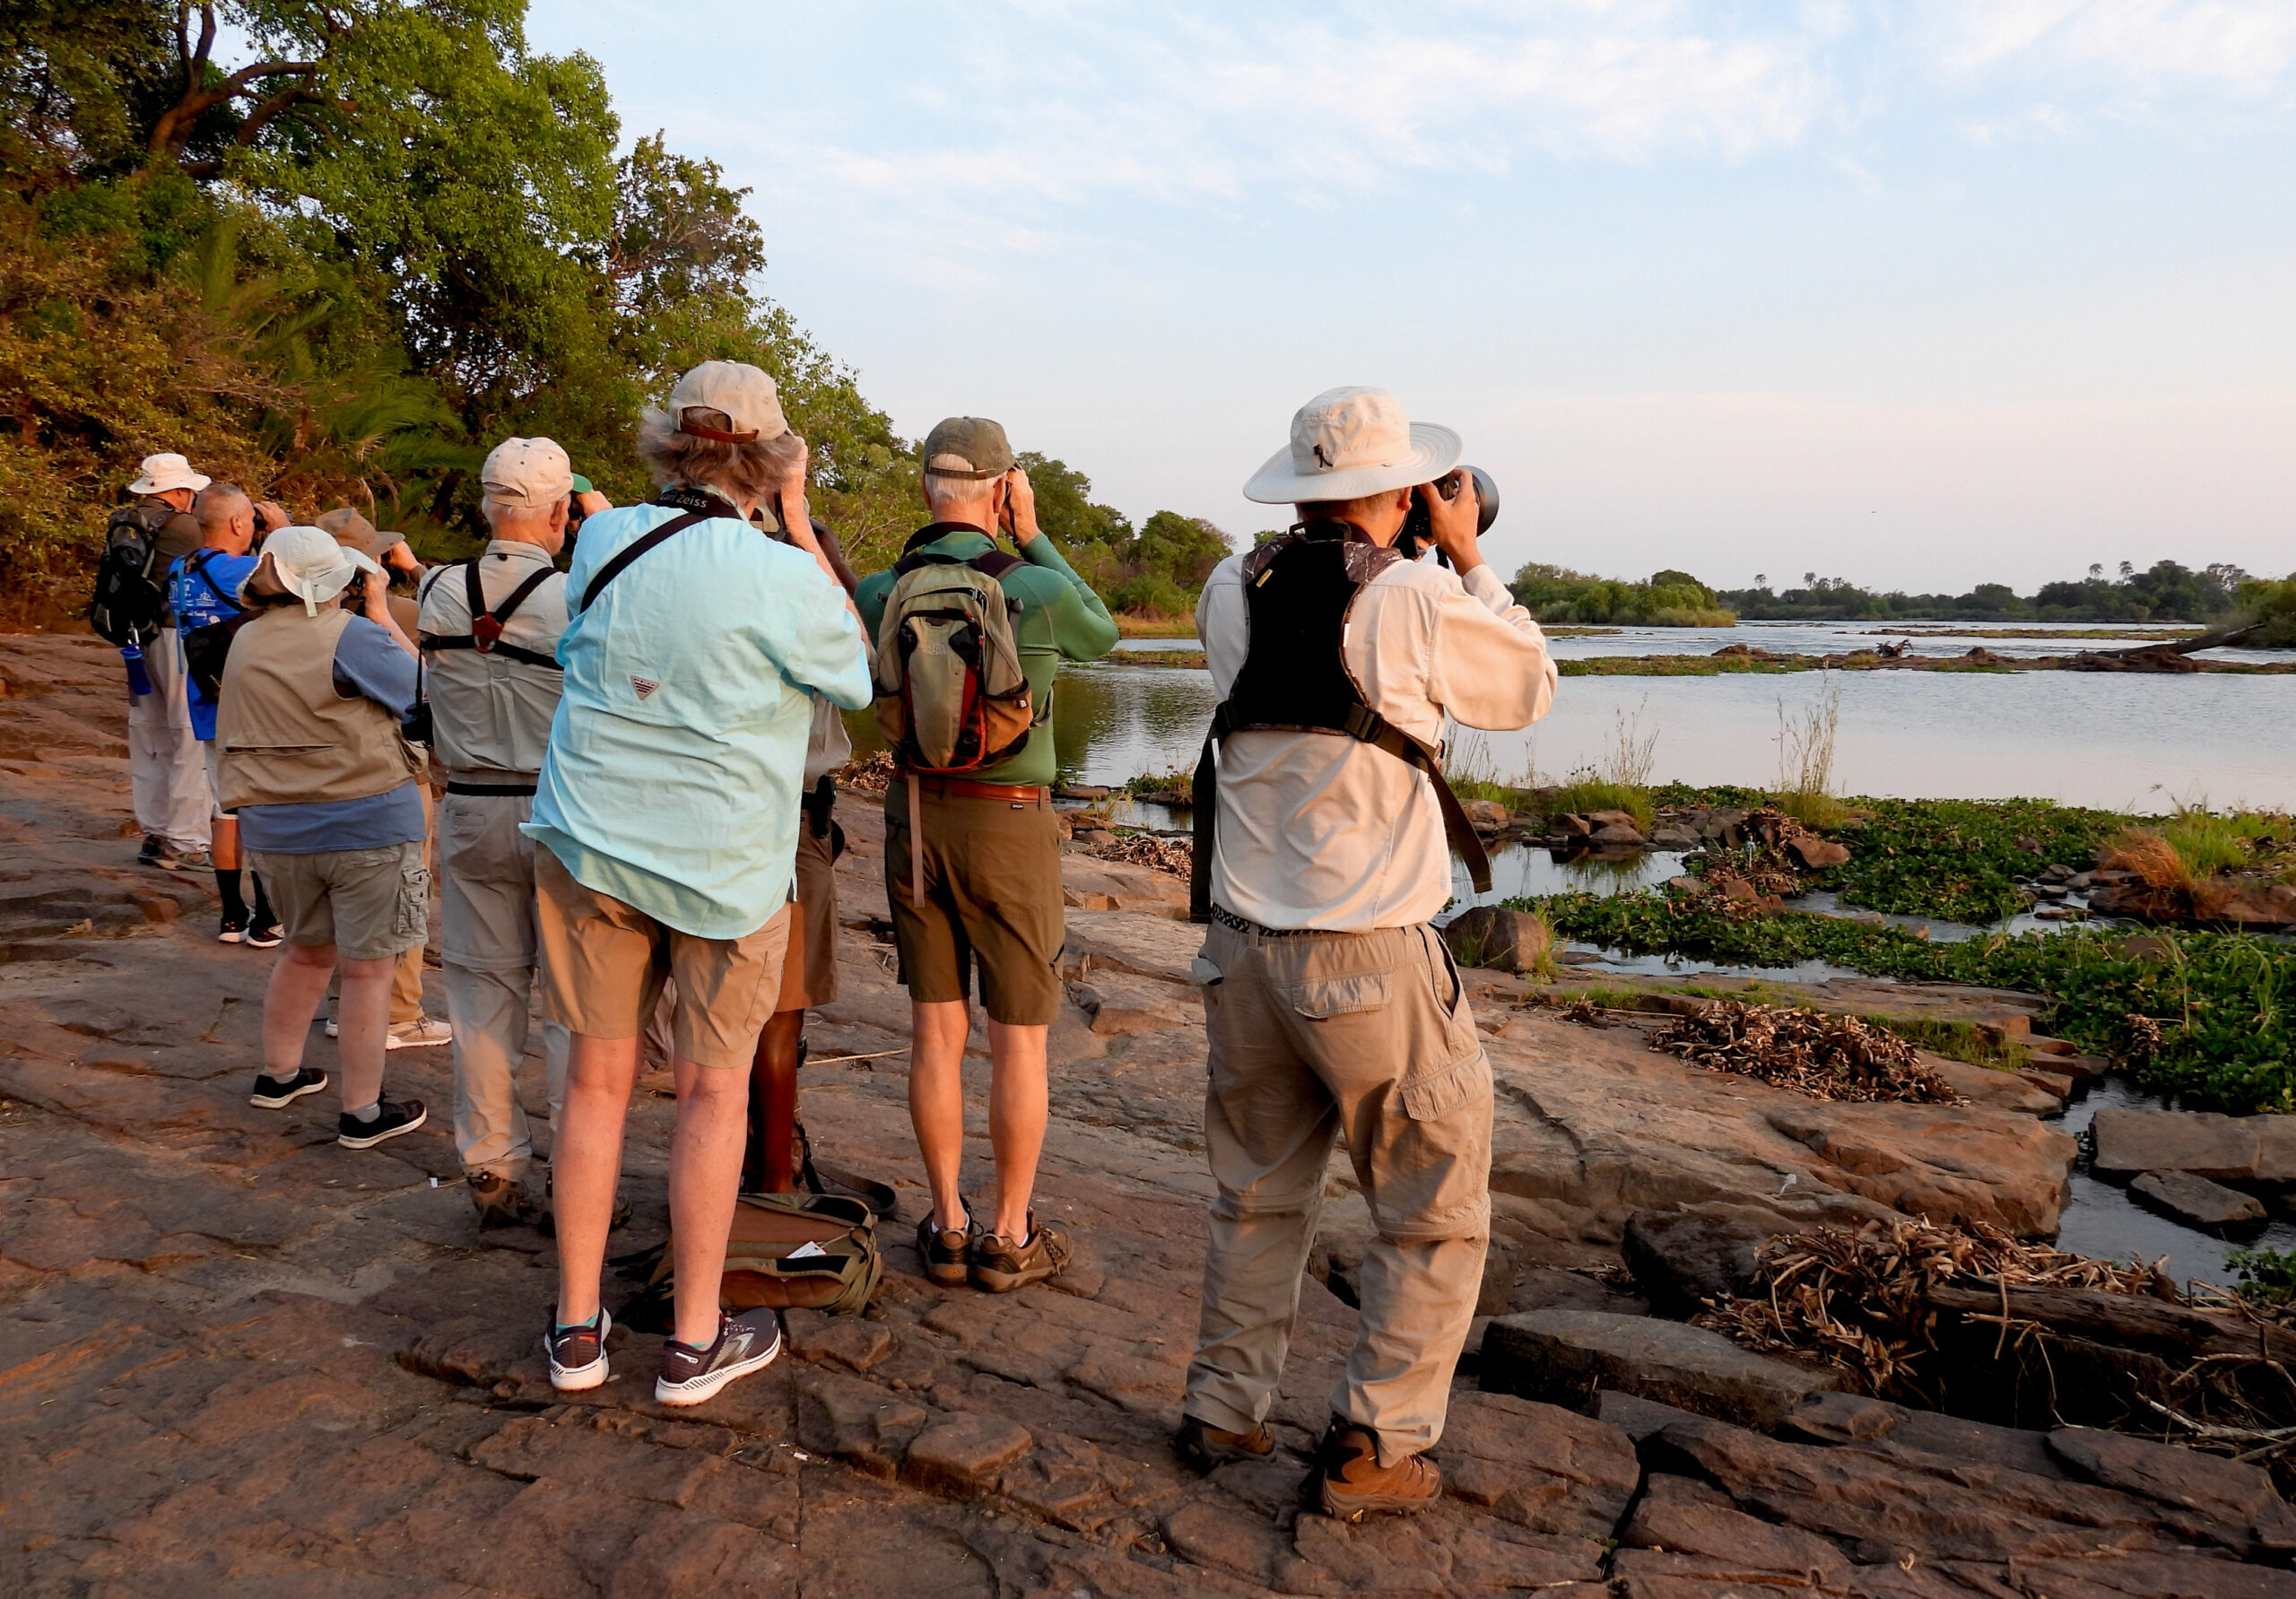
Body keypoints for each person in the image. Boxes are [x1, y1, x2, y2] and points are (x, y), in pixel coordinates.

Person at [1178, 387, 1557, 1517]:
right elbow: (1527, 688)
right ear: (1399, 490)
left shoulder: (1225, 587)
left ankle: (1222, 1410)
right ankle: (1375, 1446)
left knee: (1253, 1201)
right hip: (1368, 964)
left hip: (1243, 956)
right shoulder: (1417, 598)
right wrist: (1468, 556)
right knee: (1432, 1213)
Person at [525, 361, 870, 1406]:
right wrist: (800, 519)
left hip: (592, 837)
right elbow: (856, 669)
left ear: (670, 443)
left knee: (597, 1077)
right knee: (714, 1091)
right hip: (725, 863)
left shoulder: (601, 534)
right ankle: (692, 1340)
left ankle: (576, 1331)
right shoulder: (781, 574)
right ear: (769, 457)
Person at [854, 417, 1118, 1293]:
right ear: (1001, 487)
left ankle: (948, 1221)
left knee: (936, 1030)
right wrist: (1032, 530)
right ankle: (1009, 1233)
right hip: (1010, 824)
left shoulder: (881, 587)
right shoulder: (1035, 586)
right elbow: (1103, 634)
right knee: (1019, 1040)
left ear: (926, 488)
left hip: (917, 819)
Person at [417, 437, 606, 1229]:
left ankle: (492, 1163)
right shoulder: (579, 597)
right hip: (558, 811)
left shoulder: (434, 591)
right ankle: (576, 1173)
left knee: (480, 993)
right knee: (573, 1002)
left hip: (468, 805)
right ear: (560, 510)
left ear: (487, 504)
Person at [217, 526, 431, 1150]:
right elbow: (426, 693)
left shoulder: (246, 638)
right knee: (368, 972)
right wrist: (381, 613)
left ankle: (278, 1073)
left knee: (304, 950)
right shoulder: (353, 636)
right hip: (364, 820)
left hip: (275, 826)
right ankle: (362, 1110)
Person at [745, 507, 863, 1194]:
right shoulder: (821, 620)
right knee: (780, 1013)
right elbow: (874, 650)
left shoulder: (736, 607)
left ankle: (756, 1152)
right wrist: (830, 561)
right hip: (791, 824)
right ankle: (775, 1180)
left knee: (729, 1007)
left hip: (726, 812)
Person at [318, 506, 453, 1052]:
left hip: (321, 778)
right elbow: (433, 685)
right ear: (372, 562)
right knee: (404, 895)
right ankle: (397, 1011)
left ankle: (341, 1005)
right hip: (394, 776)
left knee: (336, 901)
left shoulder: (290, 623)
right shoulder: (395, 613)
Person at [170, 482, 282, 944]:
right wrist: (280, 534)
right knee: (265, 810)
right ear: (239, 523)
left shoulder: (180, 569)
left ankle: (232, 915)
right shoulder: (245, 569)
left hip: (207, 703)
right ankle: (267, 918)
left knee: (227, 811)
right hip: (254, 707)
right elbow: (299, 581)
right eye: (250, 520)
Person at [117, 453, 214, 870]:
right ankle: (188, 840)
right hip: (177, 634)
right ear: (178, 491)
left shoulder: (127, 519)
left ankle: (155, 834)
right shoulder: (184, 526)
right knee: (189, 737)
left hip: (138, 635)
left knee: (150, 735)